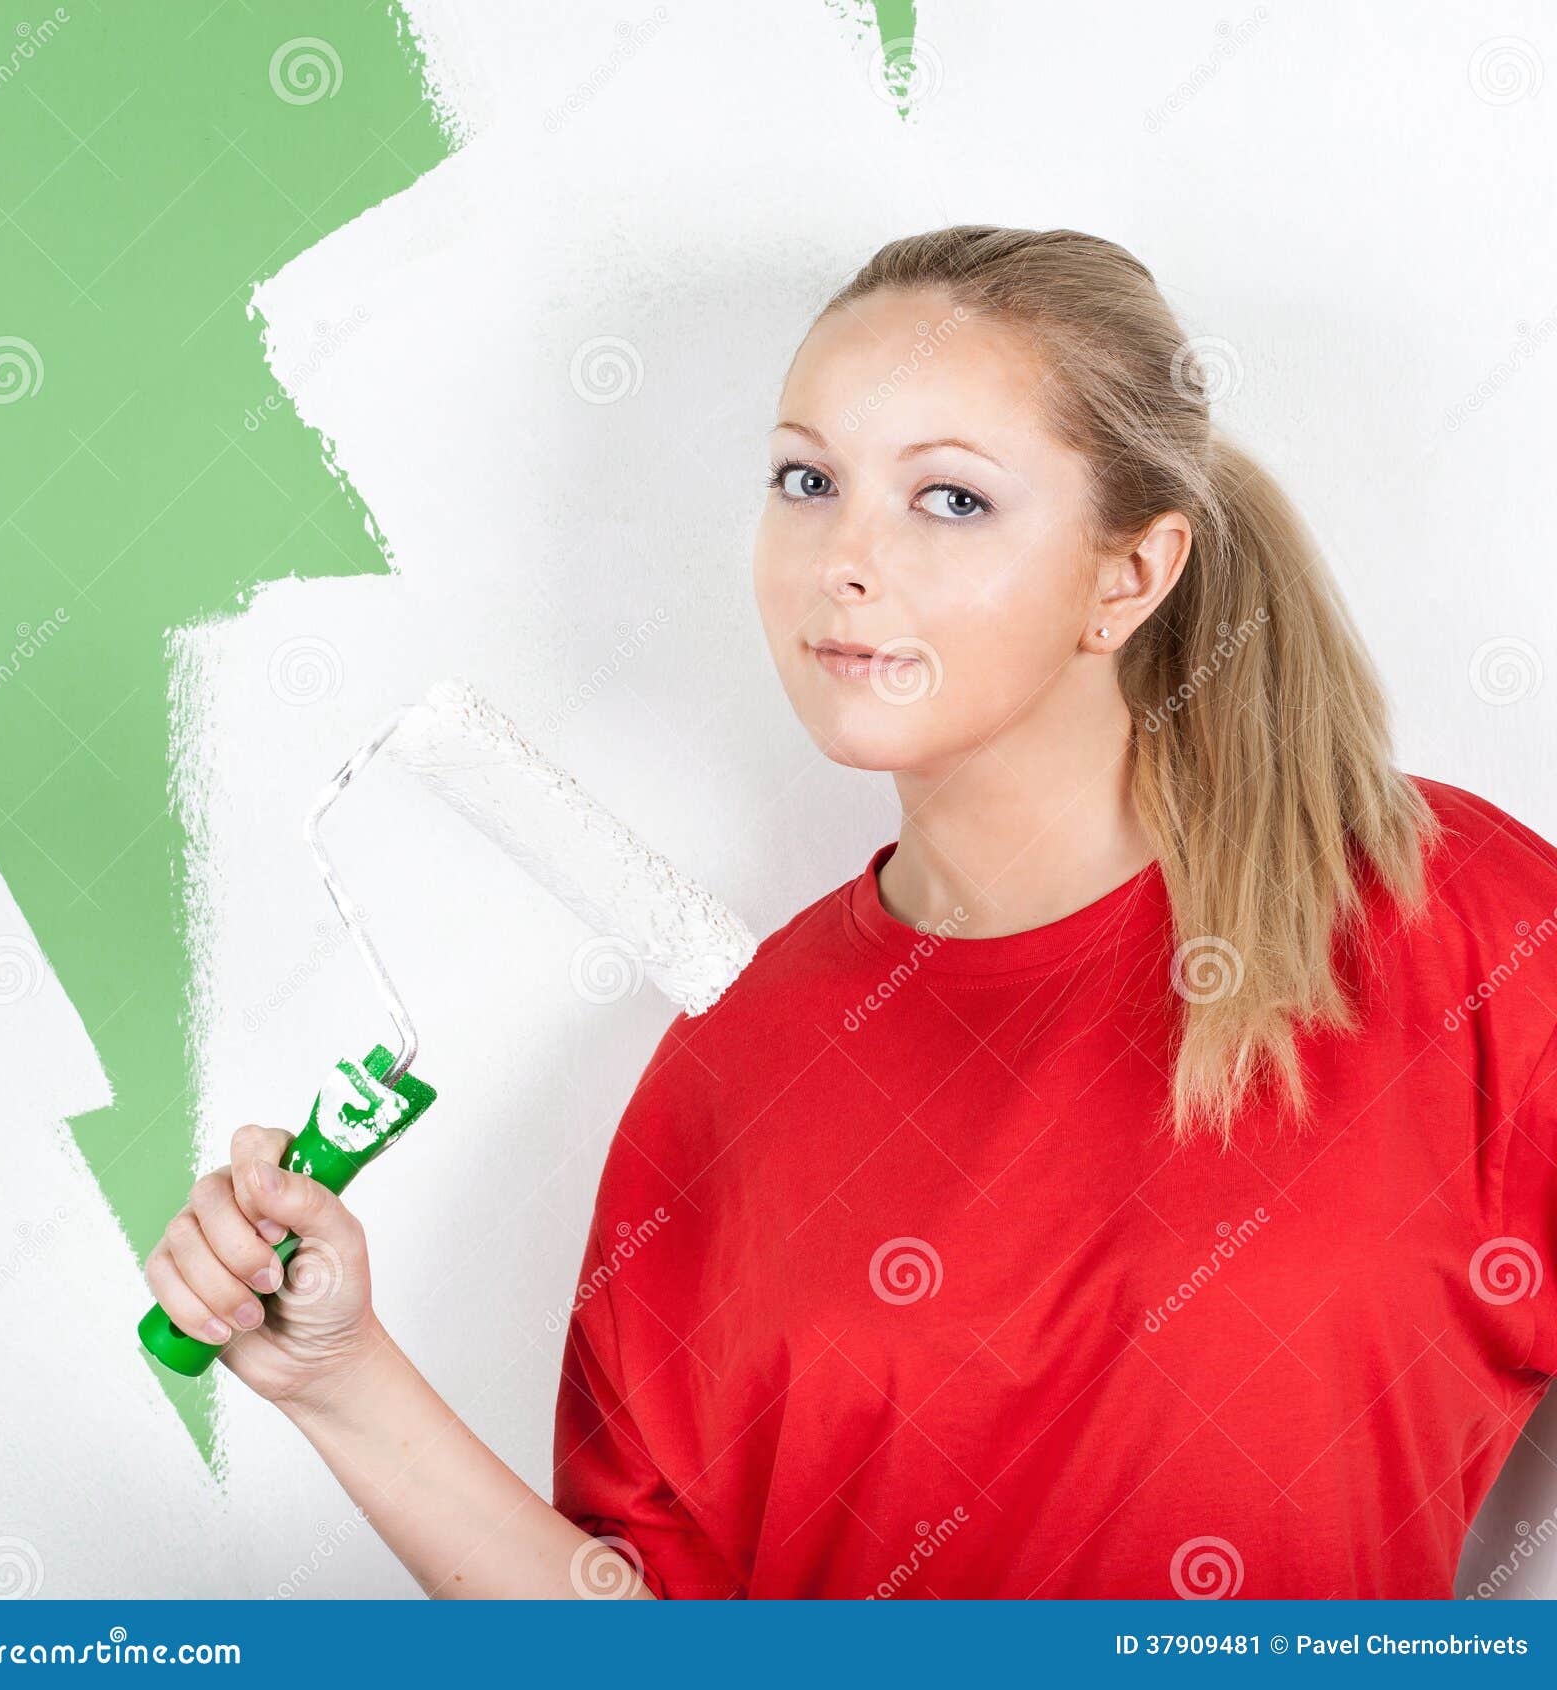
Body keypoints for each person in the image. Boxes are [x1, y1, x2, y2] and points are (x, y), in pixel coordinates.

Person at [143, 225, 1557, 1599]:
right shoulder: (728, 1074)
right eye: (807, 480)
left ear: (1128, 574)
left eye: (951, 498)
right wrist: (339, 1379)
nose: (842, 558)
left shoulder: (1449, 918)